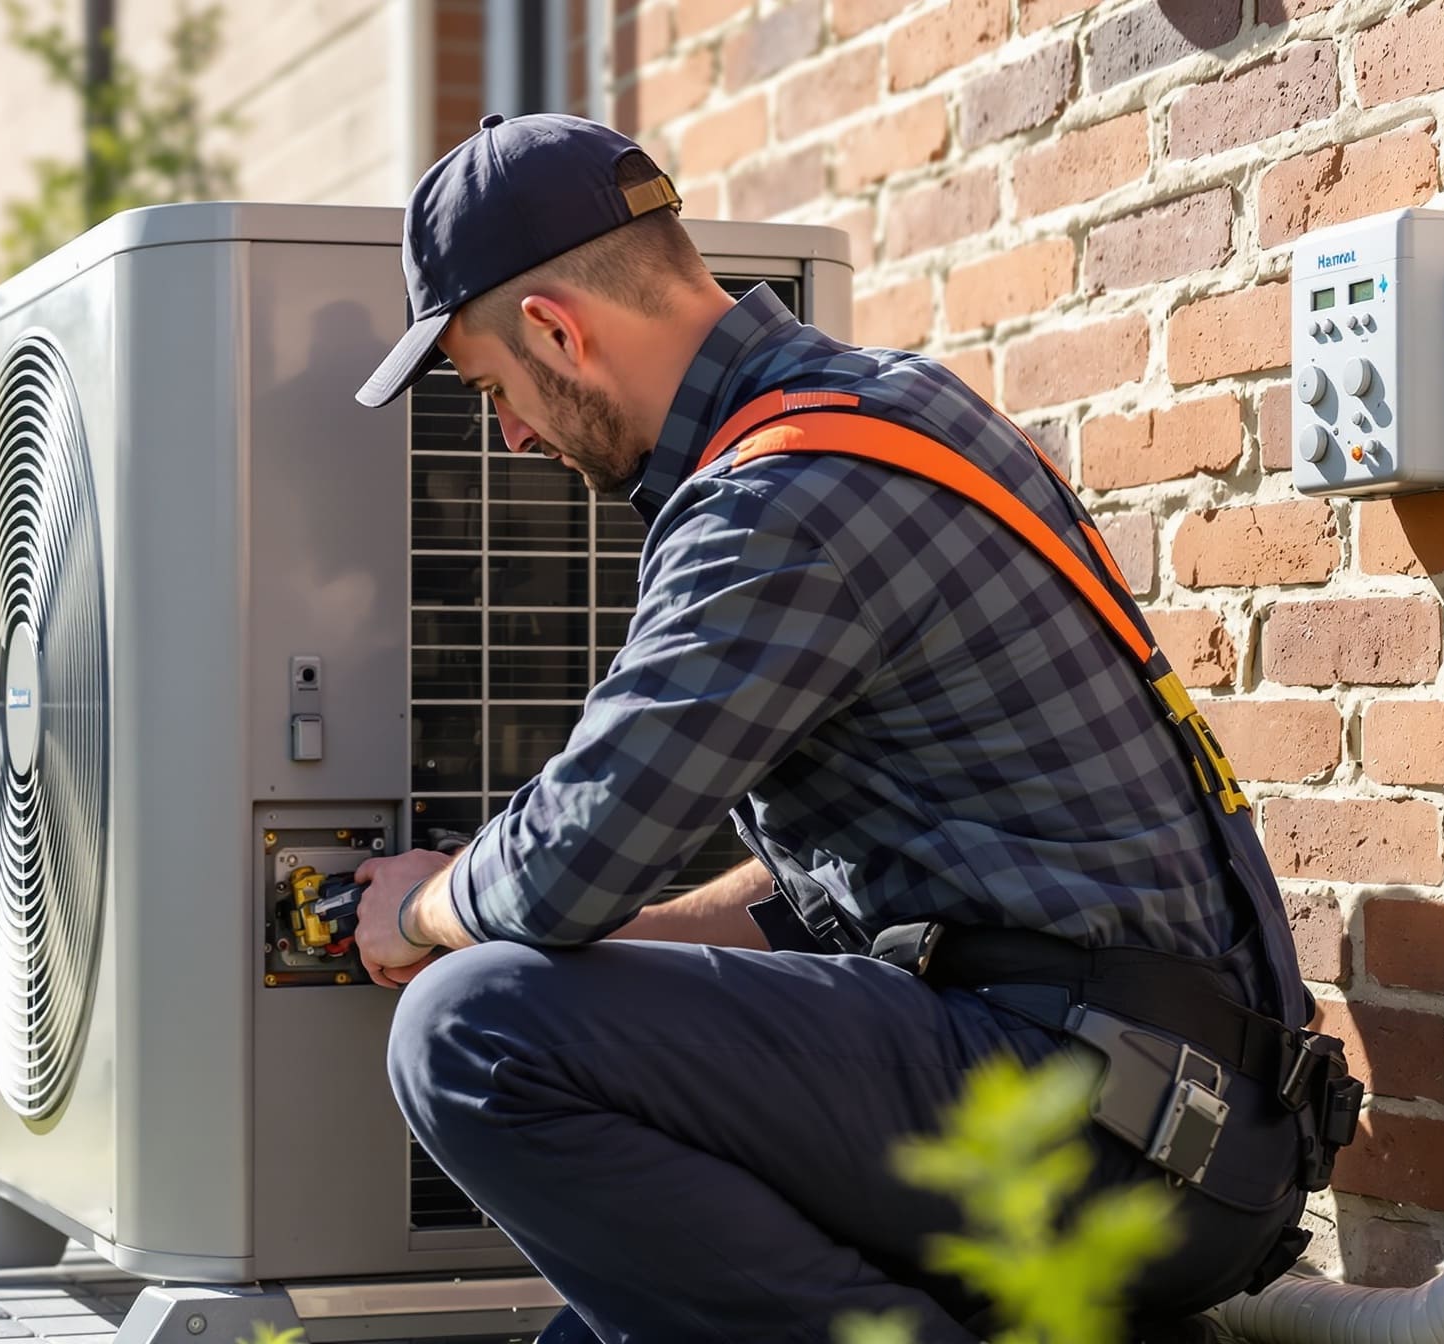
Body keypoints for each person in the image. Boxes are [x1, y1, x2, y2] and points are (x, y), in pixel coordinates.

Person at [341, 113, 1362, 1343]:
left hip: (1108, 1132)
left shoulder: (779, 498)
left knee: (471, 1031)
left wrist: (415, 910)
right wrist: (639, 941)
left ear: (558, 330)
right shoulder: (892, 409)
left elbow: (568, 863)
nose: (508, 433)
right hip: (1171, 1117)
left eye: (490, 386)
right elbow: (832, 889)